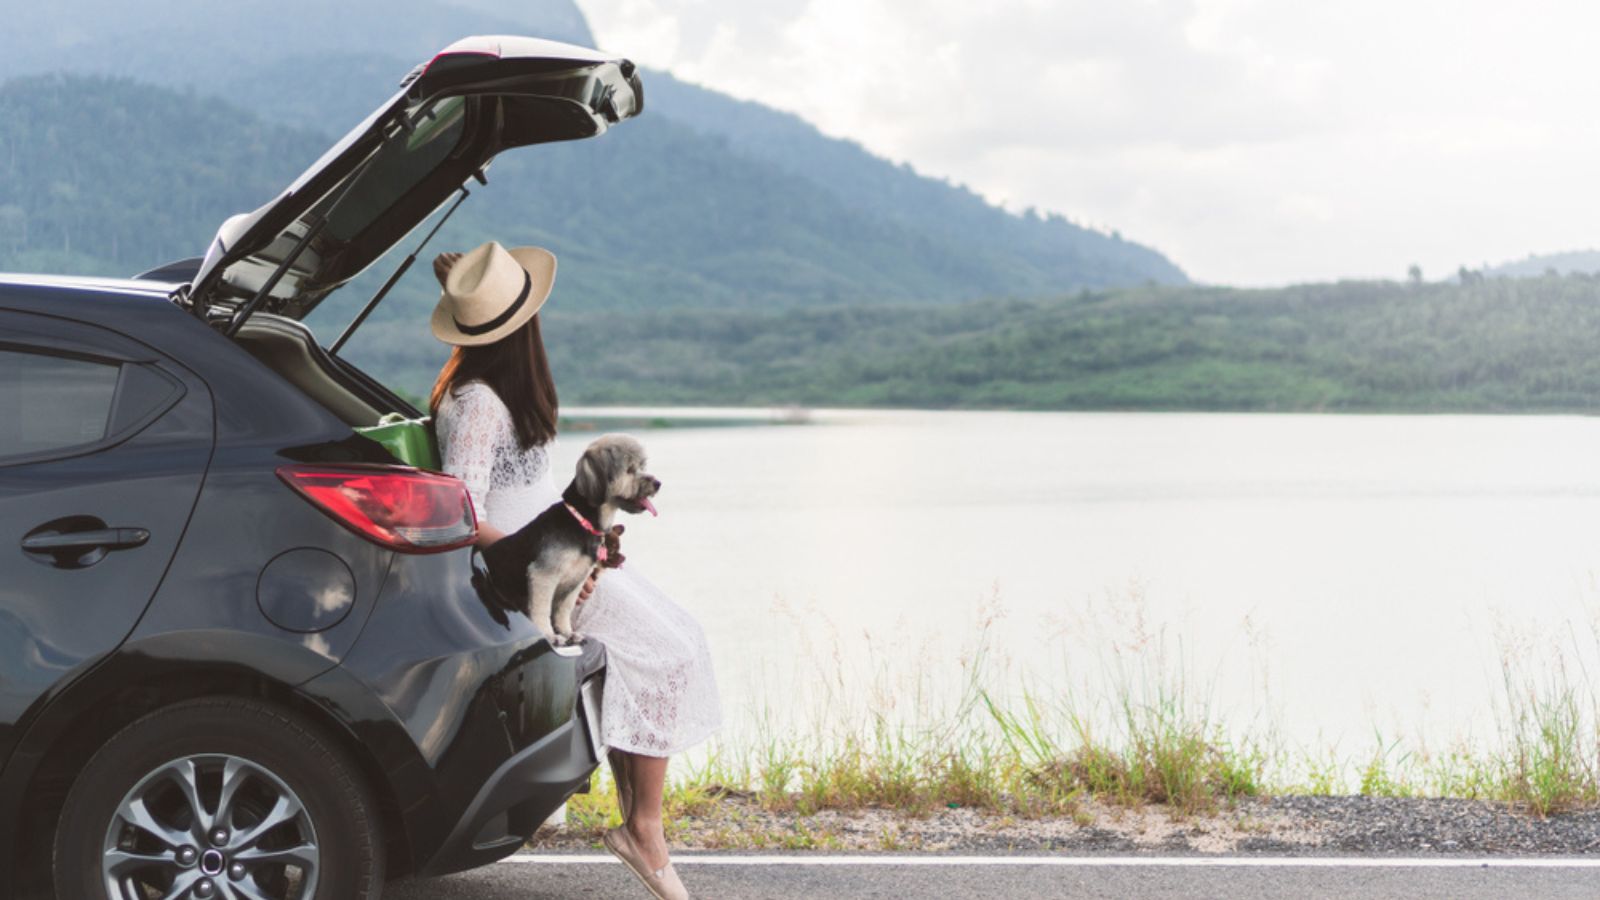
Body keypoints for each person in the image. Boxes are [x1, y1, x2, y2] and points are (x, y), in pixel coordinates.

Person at [428, 241, 720, 900]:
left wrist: (592, 541)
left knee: (675, 638)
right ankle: (643, 831)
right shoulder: (476, 402)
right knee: (668, 653)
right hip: (533, 568)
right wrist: (563, 565)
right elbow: (462, 514)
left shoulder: (493, 390)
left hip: (564, 551)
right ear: (522, 326)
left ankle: (630, 819)